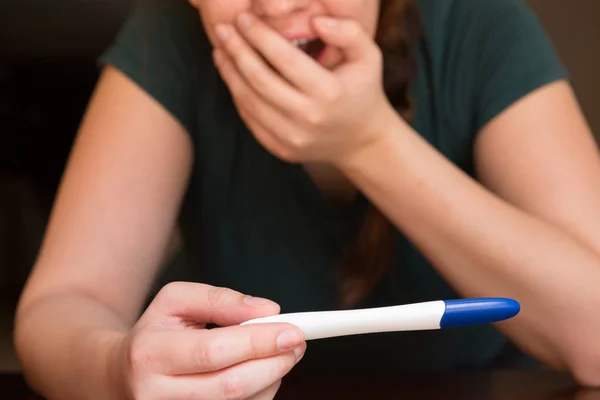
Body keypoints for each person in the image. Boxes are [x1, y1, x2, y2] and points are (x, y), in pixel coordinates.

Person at [13, 0, 600, 398]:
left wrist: (369, 141)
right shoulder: (168, 35)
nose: (274, 5)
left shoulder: (484, 24)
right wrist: (121, 370)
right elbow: (60, 307)